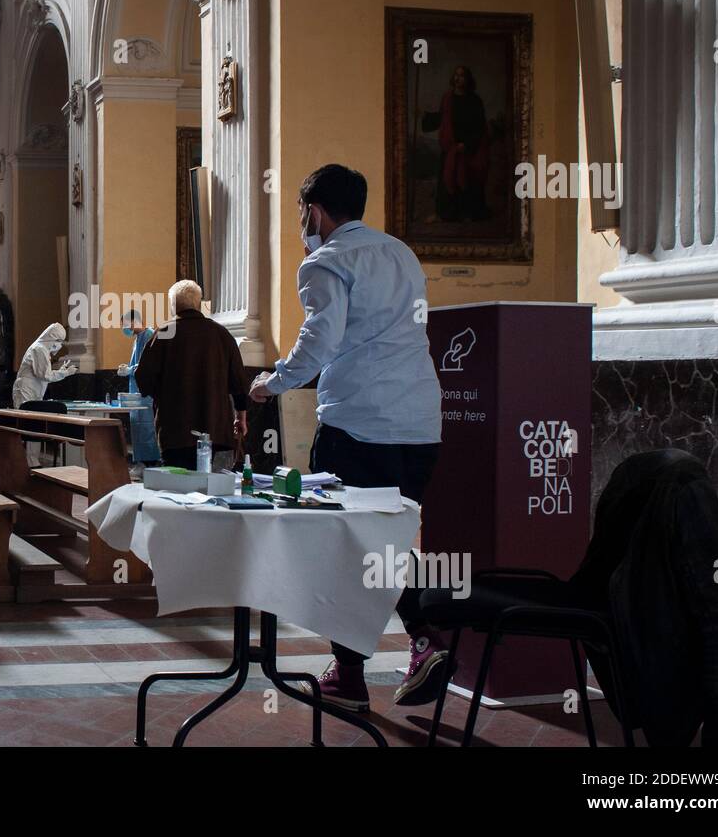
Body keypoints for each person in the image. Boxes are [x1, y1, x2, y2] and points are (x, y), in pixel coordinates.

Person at [249, 163, 443, 713]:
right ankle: (410, 645)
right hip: (421, 426)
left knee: (344, 546)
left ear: (313, 212)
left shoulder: (325, 261)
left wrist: (272, 383)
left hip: (359, 426)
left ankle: (359, 669)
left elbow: (321, 339)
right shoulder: (401, 253)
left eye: (301, 214)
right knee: (392, 541)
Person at [136, 280, 248, 469]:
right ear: (199, 304)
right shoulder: (221, 334)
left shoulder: (165, 332)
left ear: (173, 306)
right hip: (215, 429)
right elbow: (238, 381)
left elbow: (144, 380)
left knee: (175, 488)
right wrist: (241, 416)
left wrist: (162, 394)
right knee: (211, 488)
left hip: (175, 430)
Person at [421, 64, 490, 223]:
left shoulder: (474, 101)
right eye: (456, 75)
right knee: (446, 181)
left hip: (467, 149)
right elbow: (442, 119)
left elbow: (479, 127)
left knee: (467, 181)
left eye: (462, 75)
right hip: (450, 147)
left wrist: (466, 144)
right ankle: (443, 214)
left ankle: (467, 213)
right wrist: (426, 116)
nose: (458, 78)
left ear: (468, 79)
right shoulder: (447, 98)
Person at [116, 310, 160, 464]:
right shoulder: (137, 339)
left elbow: (148, 364)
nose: (124, 329)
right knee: (138, 429)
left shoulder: (149, 335)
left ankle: (150, 462)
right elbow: (138, 362)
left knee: (146, 430)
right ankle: (141, 461)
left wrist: (130, 369)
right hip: (137, 392)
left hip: (145, 394)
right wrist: (128, 369)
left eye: (125, 325)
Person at [12, 322, 76, 408]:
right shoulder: (39, 349)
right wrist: (65, 373)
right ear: (52, 337)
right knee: (26, 418)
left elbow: (45, 374)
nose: (59, 345)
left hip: (33, 390)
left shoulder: (43, 350)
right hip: (27, 391)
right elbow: (45, 375)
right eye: (59, 341)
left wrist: (61, 371)